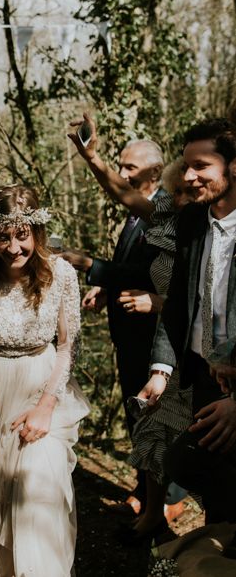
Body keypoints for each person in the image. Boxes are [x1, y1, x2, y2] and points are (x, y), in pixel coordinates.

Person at [0, 185, 89, 577]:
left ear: (36, 233)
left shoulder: (60, 274)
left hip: (42, 390)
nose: (13, 247)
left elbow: (68, 346)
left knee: (38, 494)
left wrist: (46, 406)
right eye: (3, 236)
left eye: (22, 235)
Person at [64, 120, 167, 513]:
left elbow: (152, 275)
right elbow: (132, 264)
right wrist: (105, 288)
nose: (123, 174)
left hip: (153, 333)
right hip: (126, 330)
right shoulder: (135, 217)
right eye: (120, 166)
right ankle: (145, 490)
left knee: (153, 414)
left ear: (155, 173)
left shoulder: (165, 211)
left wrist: (90, 265)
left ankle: (165, 498)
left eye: (130, 168)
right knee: (134, 412)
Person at [139, 118, 236, 525]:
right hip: (201, 375)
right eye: (186, 166)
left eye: (202, 166)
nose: (189, 176)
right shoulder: (194, 222)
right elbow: (178, 301)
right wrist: (161, 369)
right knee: (213, 486)